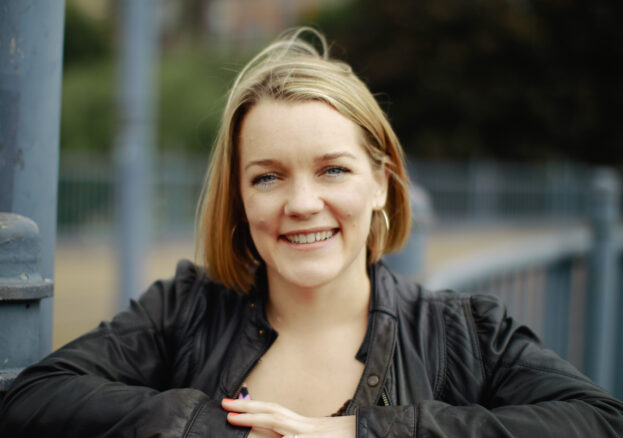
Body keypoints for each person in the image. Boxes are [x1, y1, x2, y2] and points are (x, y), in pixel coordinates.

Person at [1, 27, 622, 438]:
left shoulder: (462, 333)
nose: (302, 203)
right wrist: (210, 429)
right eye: (268, 177)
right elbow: (32, 400)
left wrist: (359, 432)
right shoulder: (183, 310)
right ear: (239, 199)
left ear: (382, 182)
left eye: (333, 170)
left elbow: (598, 419)